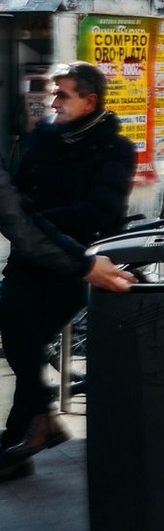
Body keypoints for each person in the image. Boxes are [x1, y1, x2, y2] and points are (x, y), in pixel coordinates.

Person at [0, 63, 137, 476]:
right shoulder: (43, 137)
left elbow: (100, 210)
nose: (54, 102)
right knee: (16, 332)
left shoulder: (114, 148)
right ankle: (34, 429)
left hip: (81, 260)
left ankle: (18, 442)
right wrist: (32, 225)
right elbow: (17, 191)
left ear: (89, 101)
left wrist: (38, 222)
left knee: (28, 338)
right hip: (31, 256)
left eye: (63, 95)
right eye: (54, 93)